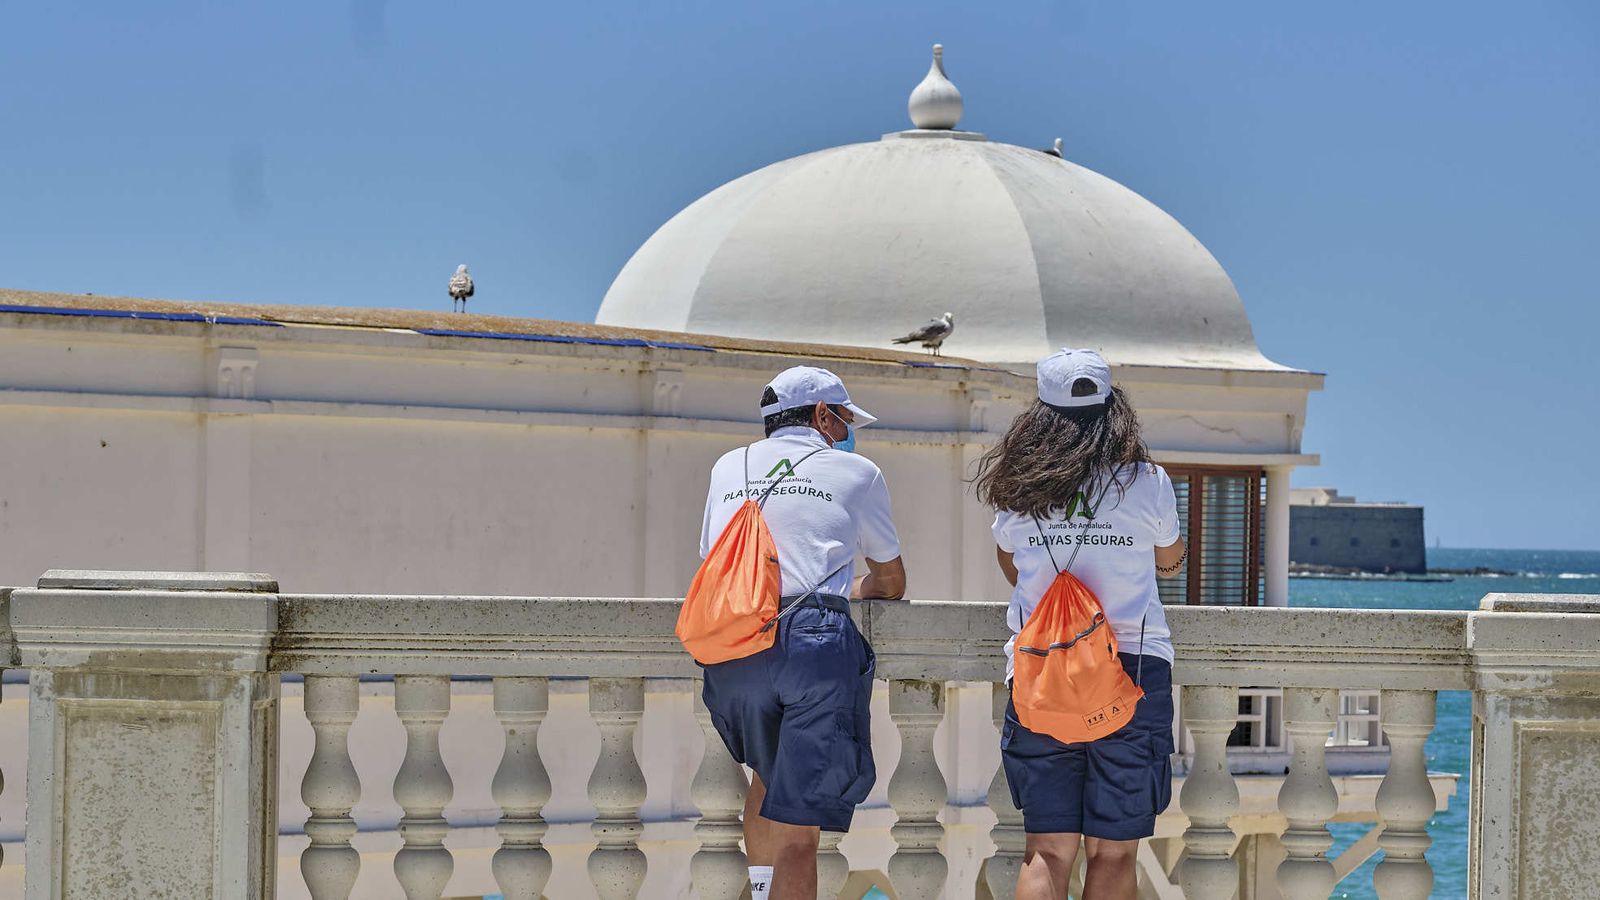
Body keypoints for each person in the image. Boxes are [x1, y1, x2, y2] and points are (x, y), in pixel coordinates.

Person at [973, 348, 1187, 900]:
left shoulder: (1019, 487)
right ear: (1114, 409)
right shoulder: (1147, 481)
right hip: (1131, 670)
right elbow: (1170, 560)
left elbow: (1010, 562)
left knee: (1046, 850)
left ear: (1039, 416)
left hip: (1042, 671)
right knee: (1113, 853)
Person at [698, 365, 907, 900]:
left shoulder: (728, 465)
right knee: (799, 828)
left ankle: (761, 893)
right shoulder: (857, 471)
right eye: (844, 419)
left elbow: (714, 558)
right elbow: (890, 580)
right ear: (821, 415)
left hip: (734, 642)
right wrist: (847, 588)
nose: (847, 431)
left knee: (768, 775)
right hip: (811, 640)